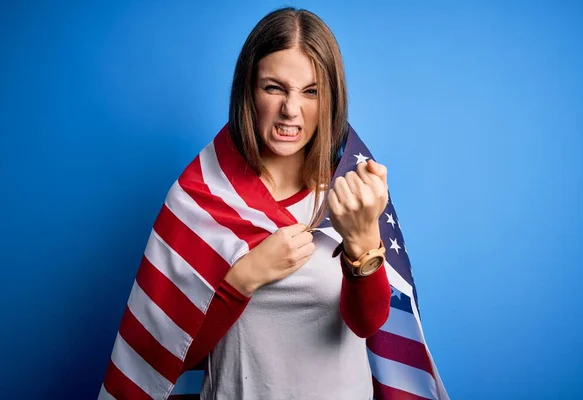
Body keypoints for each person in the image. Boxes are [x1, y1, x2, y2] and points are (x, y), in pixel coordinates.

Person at [100, 6, 448, 400]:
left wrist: (364, 242)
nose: (291, 109)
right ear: (248, 90)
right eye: (274, 87)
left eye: (311, 91)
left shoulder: (352, 191)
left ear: (331, 98)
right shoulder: (200, 194)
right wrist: (242, 279)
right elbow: (166, 353)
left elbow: (368, 323)